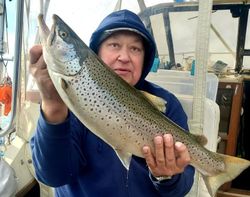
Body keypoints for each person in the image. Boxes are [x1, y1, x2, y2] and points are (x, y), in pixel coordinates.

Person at [29, 9, 194, 197]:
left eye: (135, 49)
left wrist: (167, 178)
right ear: (96, 52)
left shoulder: (168, 104)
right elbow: (54, 176)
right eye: (114, 45)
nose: (124, 57)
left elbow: (181, 187)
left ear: (145, 58)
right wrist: (53, 106)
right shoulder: (72, 101)